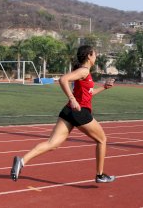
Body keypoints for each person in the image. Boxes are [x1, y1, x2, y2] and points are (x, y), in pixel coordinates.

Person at [10, 45, 115, 183]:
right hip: (80, 112)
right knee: (102, 140)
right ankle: (100, 175)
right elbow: (63, 79)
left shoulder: (85, 73)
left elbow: (88, 95)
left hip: (69, 111)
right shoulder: (83, 71)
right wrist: (72, 99)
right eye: (95, 54)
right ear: (89, 56)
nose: (96, 57)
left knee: (52, 143)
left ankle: (22, 161)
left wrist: (103, 88)